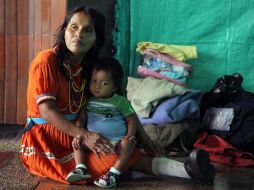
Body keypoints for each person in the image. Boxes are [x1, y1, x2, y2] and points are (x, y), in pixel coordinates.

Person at [20, 5, 215, 186]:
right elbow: (46, 111)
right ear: (64, 31)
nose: (78, 34)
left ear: (97, 39)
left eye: (88, 30)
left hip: (77, 134)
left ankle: (191, 170)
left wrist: (144, 137)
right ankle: (186, 170)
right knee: (115, 158)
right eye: (73, 27)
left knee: (125, 150)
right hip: (47, 139)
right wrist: (86, 135)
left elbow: (123, 105)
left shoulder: (88, 68)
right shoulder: (46, 61)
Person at [66, 57, 139, 188]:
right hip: (93, 142)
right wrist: (79, 133)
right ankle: (81, 168)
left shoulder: (120, 101)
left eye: (104, 83)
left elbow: (132, 118)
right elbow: (82, 118)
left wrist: (130, 134)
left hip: (117, 141)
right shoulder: (88, 101)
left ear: (115, 86)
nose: (97, 86)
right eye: (94, 81)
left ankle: (113, 174)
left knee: (128, 145)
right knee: (77, 143)